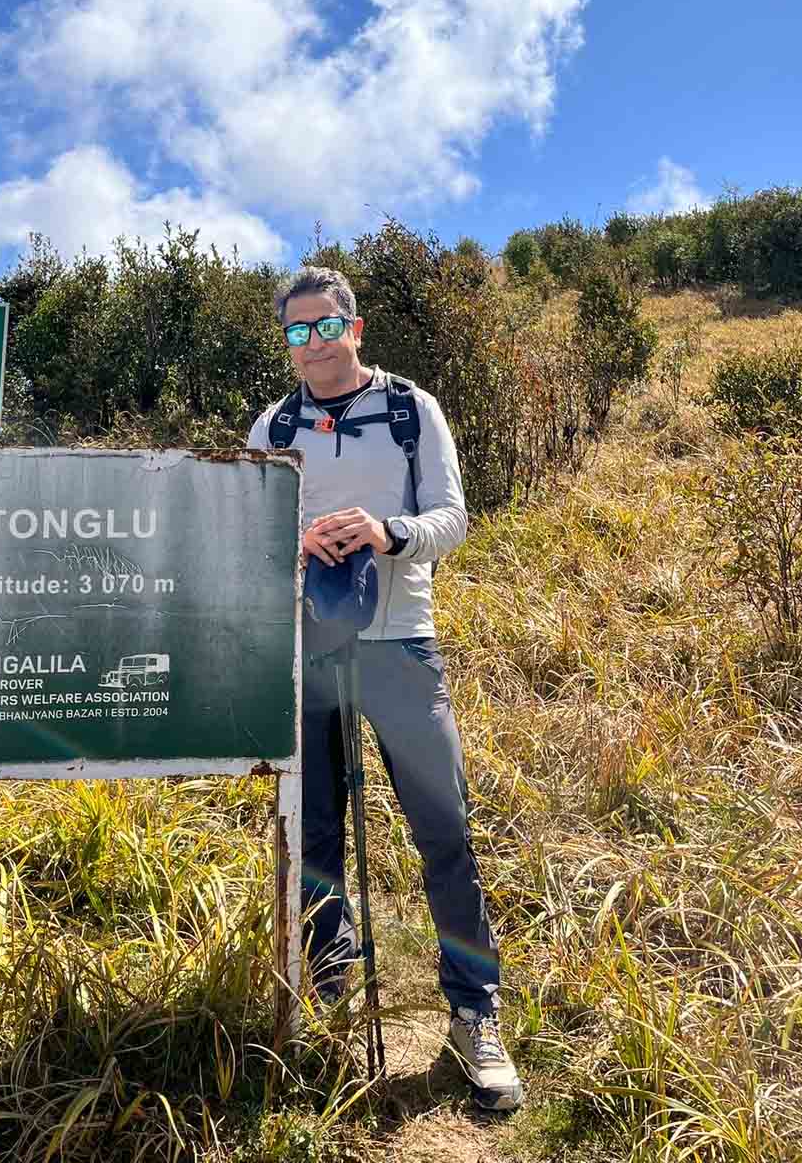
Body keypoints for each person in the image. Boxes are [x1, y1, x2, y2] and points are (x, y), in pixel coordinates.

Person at [245, 265, 523, 1113]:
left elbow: (453, 518)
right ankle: (330, 1001)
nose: (312, 344)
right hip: (309, 650)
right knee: (315, 833)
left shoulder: (410, 409)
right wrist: (297, 546)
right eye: (296, 332)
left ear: (354, 328)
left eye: (325, 326)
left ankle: (475, 1017)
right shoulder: (273, 425)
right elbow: (250, 532)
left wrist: (386, 532)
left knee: (445, 829)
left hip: (402, 646)